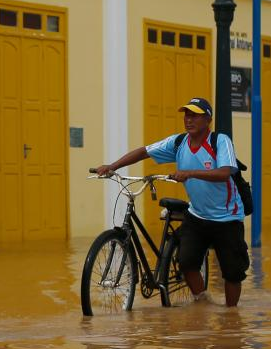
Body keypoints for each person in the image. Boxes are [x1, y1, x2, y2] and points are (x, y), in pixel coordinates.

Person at [94, 97, 249, 307]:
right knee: (186, 263)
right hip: (197, 215)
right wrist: (113, 166)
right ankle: (203, 304)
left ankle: (232, 318)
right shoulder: (179, 143)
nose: (188, 119)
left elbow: (224, 173)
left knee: (232, 273)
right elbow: (144, 151)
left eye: (194, 115)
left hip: (227, 217)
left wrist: (189, 173)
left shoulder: (220, 141)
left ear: (208, 119)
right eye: (186, 114)